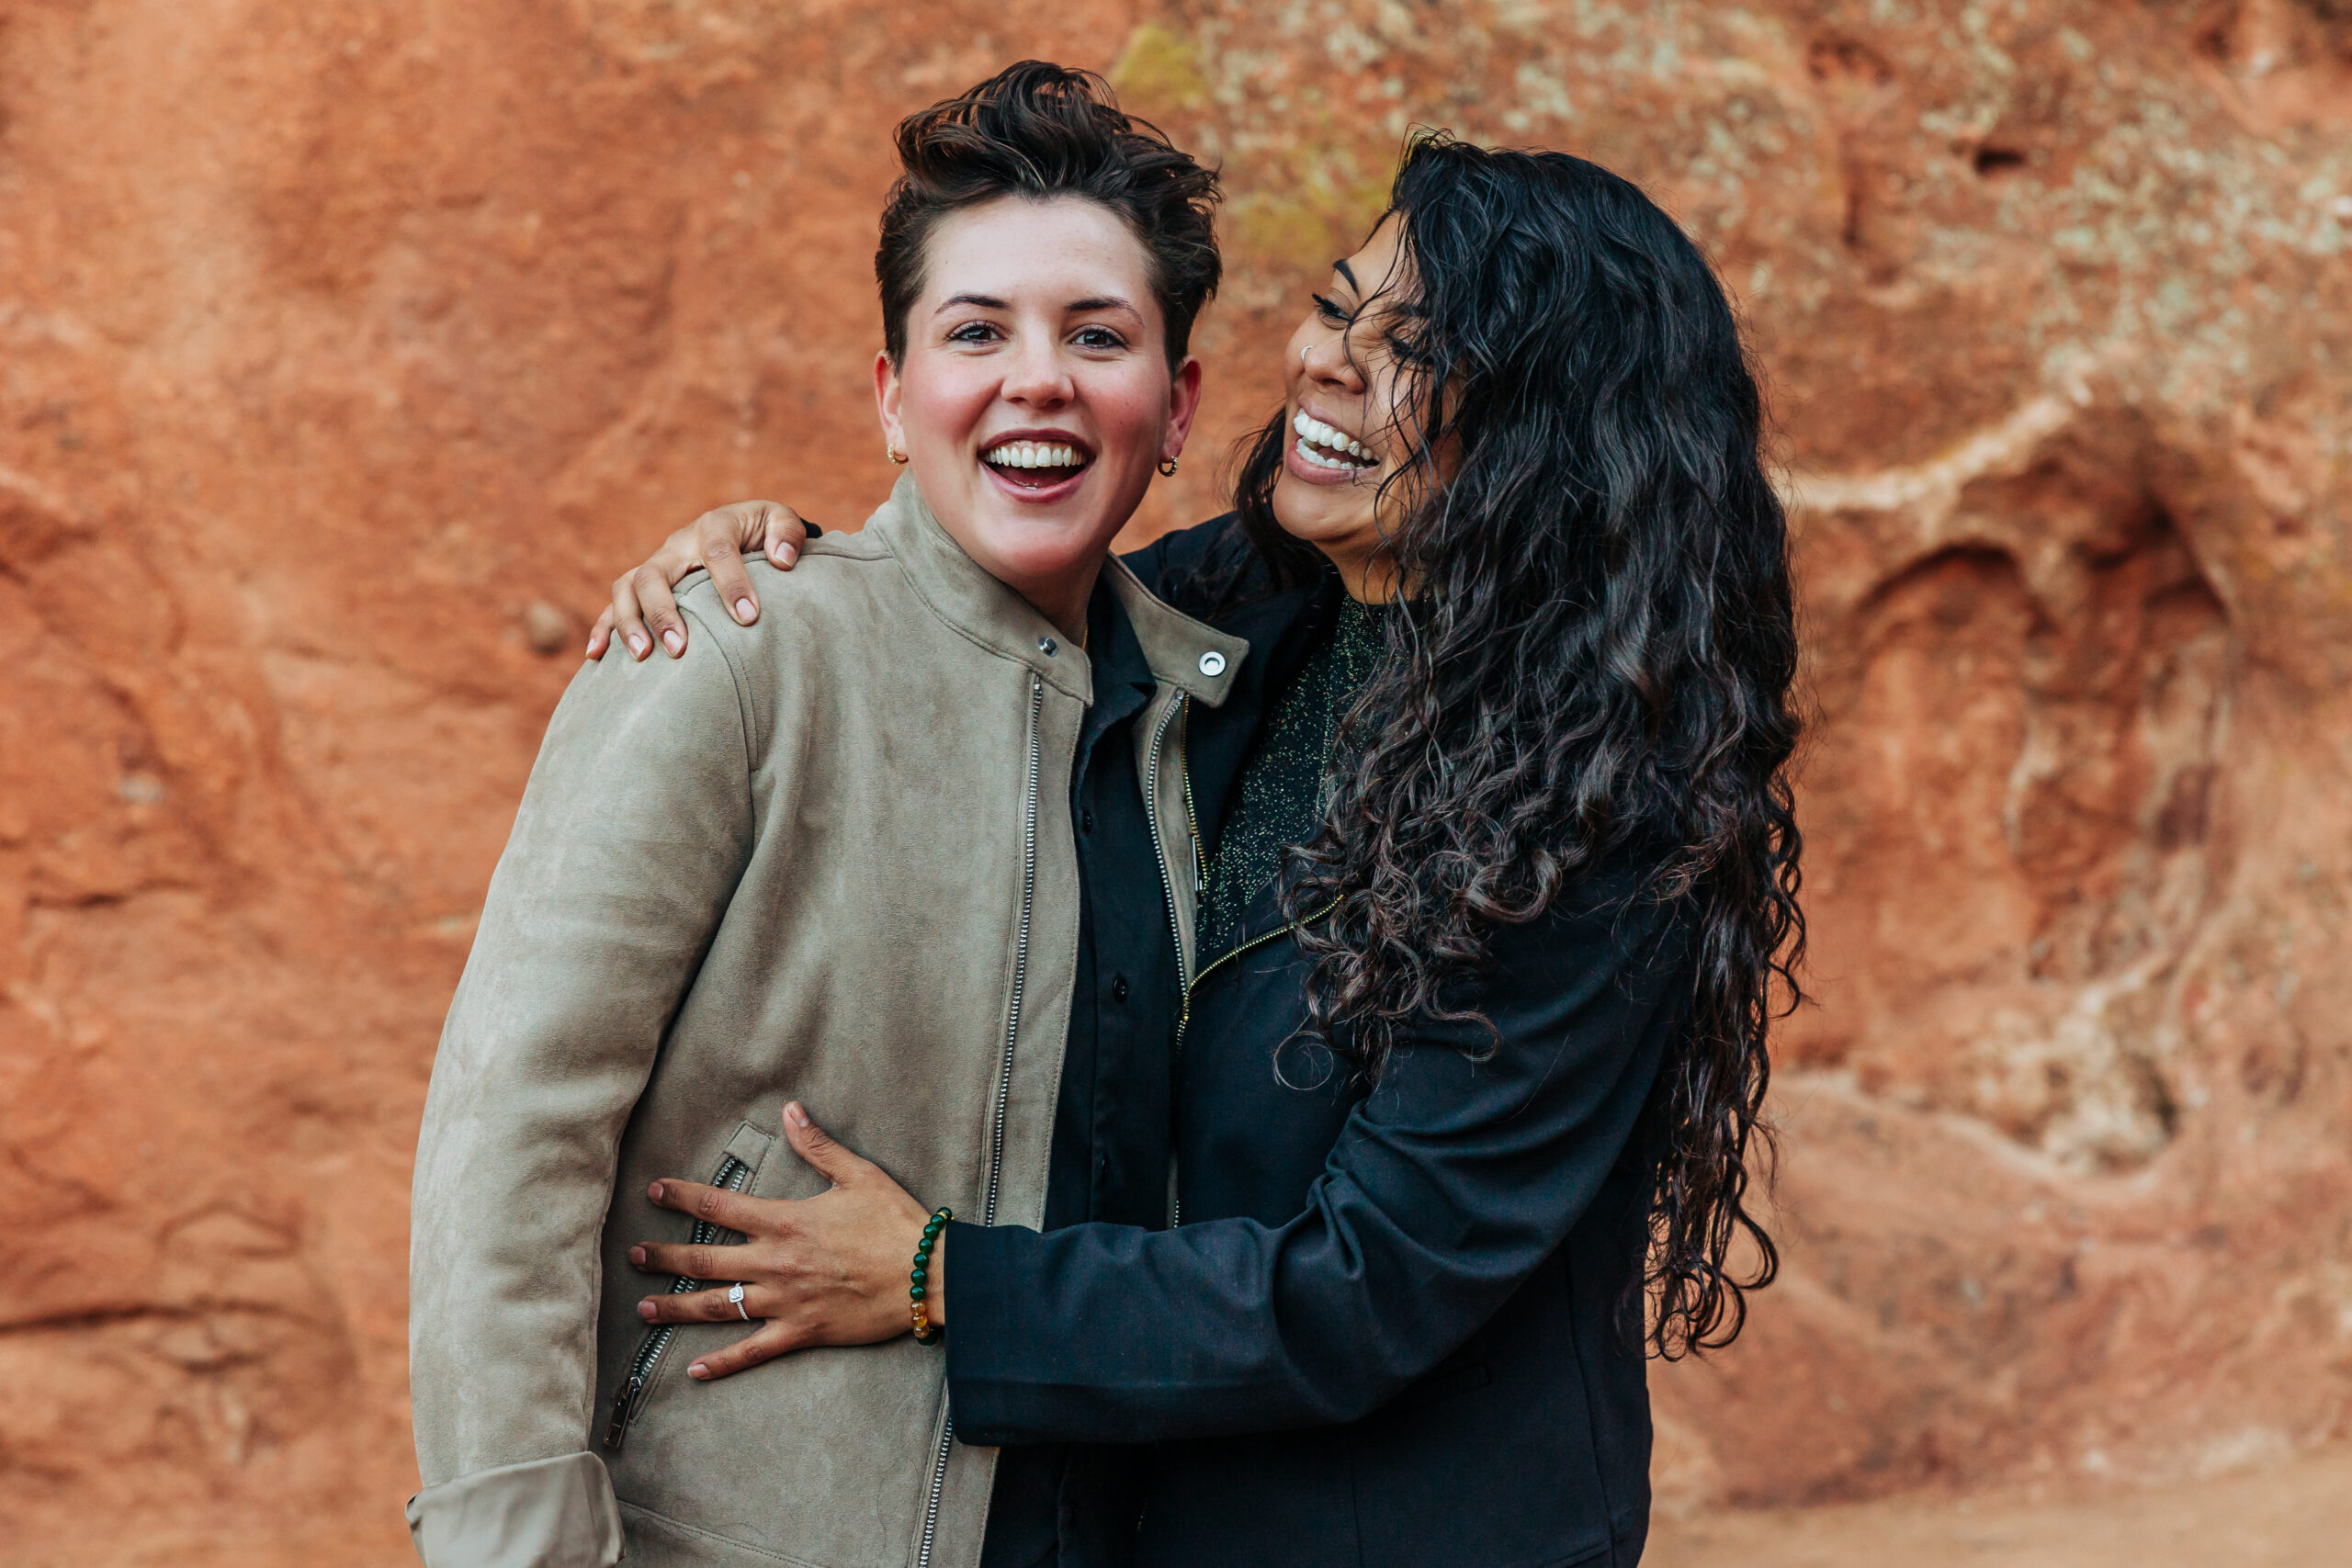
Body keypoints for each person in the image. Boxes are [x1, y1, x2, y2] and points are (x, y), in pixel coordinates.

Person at [585, 134, 1804, 1568]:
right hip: (1150, 1503)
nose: (1332, 363)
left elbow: (1365, 1286)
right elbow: (971, 602)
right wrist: (778, 568)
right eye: (1342, 305)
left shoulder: (1605, 810)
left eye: (1418, 349)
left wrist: (936, 1282)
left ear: (1553, 438)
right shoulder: (1238, 614)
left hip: (1414, 1528)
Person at [404, 63, 1237, 1568]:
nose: (1036, 379)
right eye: (975, 331)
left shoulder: (1196, 716)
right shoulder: (738, 648)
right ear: (891, 391)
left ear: (1174, 409)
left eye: (1096, 336)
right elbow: (511, 1126)